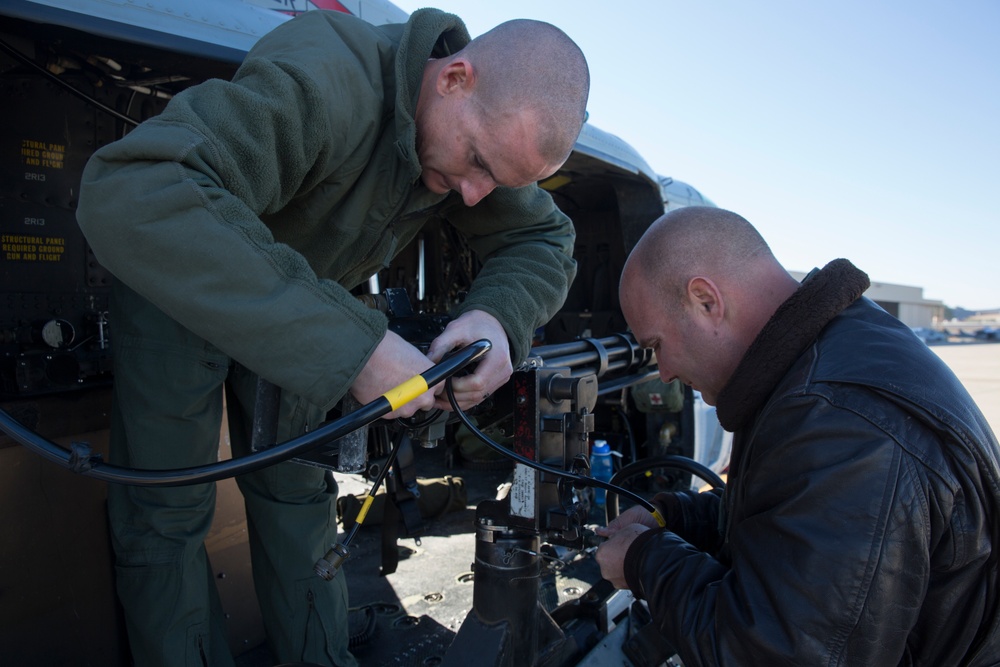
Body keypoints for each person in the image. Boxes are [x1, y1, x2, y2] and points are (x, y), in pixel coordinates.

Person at [76, 8, 589, 666]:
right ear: (454, 78)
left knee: (296, 499)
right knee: (164, 514)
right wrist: (355, 348)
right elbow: (133, 187)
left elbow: (545, 239)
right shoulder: (325, 81)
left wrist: (498, 317)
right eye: (477, 163)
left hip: (305, 307)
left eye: (496, 182)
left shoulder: (475, 132)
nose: (472, 195)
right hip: (181, 284)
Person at [596, 207, 1000, 665]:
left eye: (657, 346)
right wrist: (675, 518)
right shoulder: (832, 356)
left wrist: (646, 561)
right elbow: (791, 522)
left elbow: (781, 654)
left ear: (706, 301)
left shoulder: (842, 422)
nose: (664, 372)